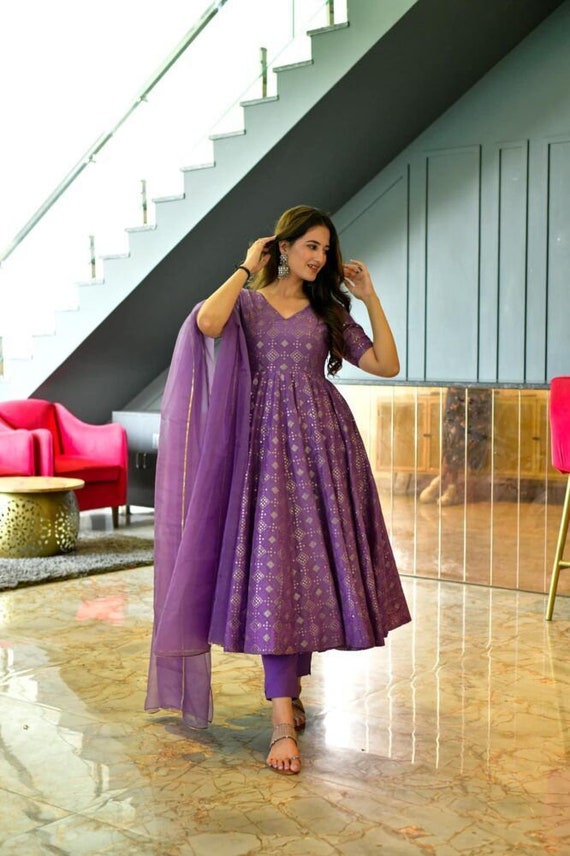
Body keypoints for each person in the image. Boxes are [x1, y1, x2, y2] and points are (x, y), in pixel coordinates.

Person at [145, 205, 411, 775]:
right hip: (259, 451)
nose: (320, 257)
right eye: (310, 245)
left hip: (322, 448)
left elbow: (386, 364)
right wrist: (246, 267)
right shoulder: (246, 305)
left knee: (309, 568)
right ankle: (281, 721)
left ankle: (290, 690)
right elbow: (206, 324)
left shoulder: (329, 311)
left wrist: (369, 299)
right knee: (273, 569)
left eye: (326, 249)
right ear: (283, 247)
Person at [419, 386, 492, 506]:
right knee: (451, 433)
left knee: (460, 435)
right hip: (456, 389)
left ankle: (444, 481)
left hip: (477, 392)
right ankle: (449, 485)